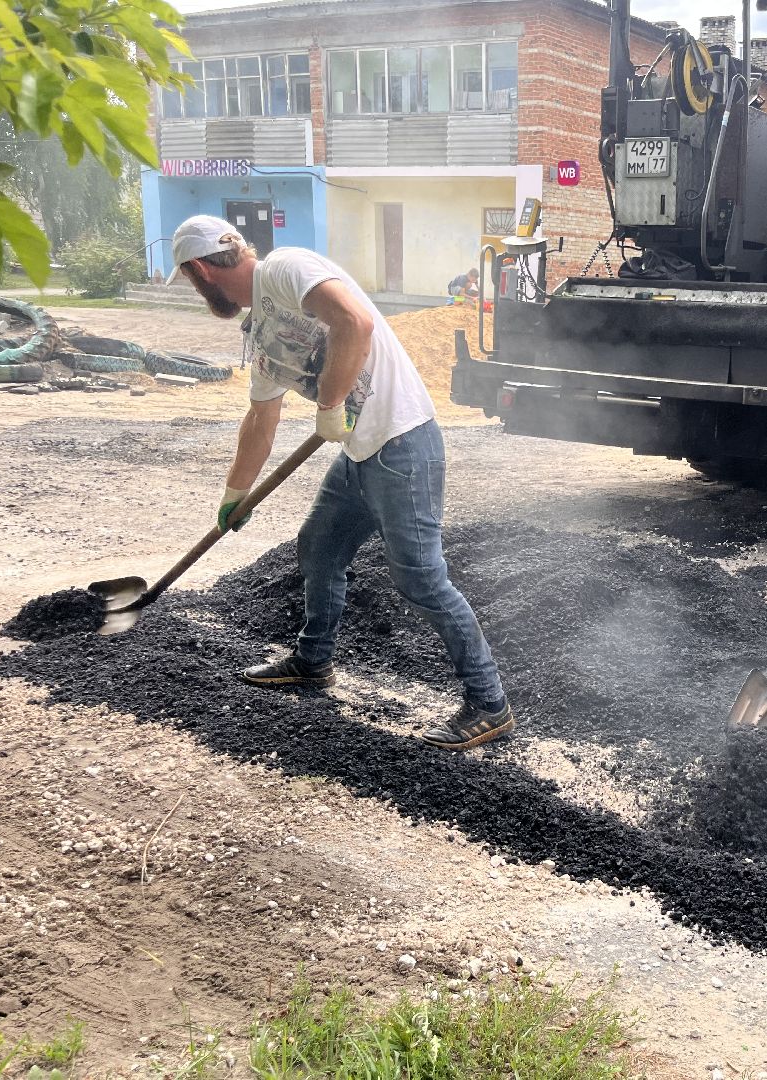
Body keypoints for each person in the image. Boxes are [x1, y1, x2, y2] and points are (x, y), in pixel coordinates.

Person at [166, 215, 514, 751]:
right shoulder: (262, 329)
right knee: (319, 549)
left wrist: (330, 403)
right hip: (358, 454)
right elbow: (261, 418)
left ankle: (489, 704)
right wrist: (236, 494)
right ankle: (312, 661)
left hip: (402, 443)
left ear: (198, 270)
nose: (194, 288)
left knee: (421, 580)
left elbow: (354, 322)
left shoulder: (286, 269)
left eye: (189, 280)